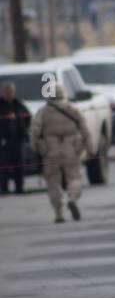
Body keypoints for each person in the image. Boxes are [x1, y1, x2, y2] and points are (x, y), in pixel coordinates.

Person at [30, 82, 89, 223]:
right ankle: (72, 198)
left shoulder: (43, 111)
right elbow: (85, 130)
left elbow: (35, 130)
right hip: (71, 147)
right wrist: (89, 148)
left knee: (53, 180)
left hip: (51, 149)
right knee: (75, 176)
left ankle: (59, 212)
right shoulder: (73, 109)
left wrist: (35, 147)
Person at [0, 82, 32, 194]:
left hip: (18, 140)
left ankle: (19, 187)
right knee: (3, 166)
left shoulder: (19, 104)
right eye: (6, 92)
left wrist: (23, 130)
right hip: (3, 141)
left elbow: (28, 117)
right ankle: (4, 188)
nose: (9, 94)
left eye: (11, 92)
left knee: (19, 165)